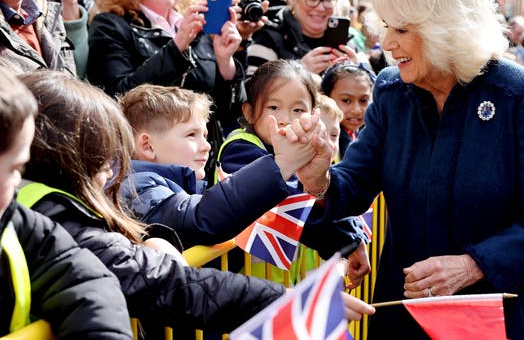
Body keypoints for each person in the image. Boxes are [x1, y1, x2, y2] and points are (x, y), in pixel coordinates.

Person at [291, 0, 524, 340]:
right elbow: (354, 186)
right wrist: (318, 176)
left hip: (493, 315)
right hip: (404, 313)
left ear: (446, 27)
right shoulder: (392, 90)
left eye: (402, 30)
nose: (387, 43)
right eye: (386, 26)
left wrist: (472, 265)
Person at [17, 70, 374, 334]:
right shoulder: (59, 214)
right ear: (70, 158)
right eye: (102, 153)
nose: (112, 166)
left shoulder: (36, 209)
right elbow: (185, 249)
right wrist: (292, 300)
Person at [0, 66, 133, 338]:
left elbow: (89, 284)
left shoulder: (18, 221)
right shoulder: (49, 212)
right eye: (14, 169)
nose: (17, 185)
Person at [217, 59, 370, 287]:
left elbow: (327, 193)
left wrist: (353, 237)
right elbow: (292, 205)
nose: (286, 119)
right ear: (249, 112)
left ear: (313, 113)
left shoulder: (305, 150)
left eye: (298, 110)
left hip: (289, 287)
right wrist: (349, 241)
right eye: (273, 108)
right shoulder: (240, 150)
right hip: (245, 289)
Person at [86, 0, 244, 150]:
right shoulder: (111, 25)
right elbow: (118, 97)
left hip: (202, 164)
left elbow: (229, 114)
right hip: (145, 161)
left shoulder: (195, 25)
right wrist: (176, 47)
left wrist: (226, 63)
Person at [119, 83, 321, 249]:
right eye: (191, 135)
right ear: (147, 145)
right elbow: (201, 219)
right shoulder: (137, 188)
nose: (206, 146)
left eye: (205, 135)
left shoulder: (181, 186)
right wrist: (281, 165)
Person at [246, 0, 359, 77]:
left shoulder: (347, 41)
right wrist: (299, 72)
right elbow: (252, 90)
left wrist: (358, 74)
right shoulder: (269, 37)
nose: (320, 8)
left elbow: (372, 90)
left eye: (328, 0)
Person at [320, 62, 375, 160]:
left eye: (363, 100)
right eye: (346, 100)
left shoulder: (367, 134)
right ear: (325, 98)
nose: (356, 110)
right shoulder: (323, 138)